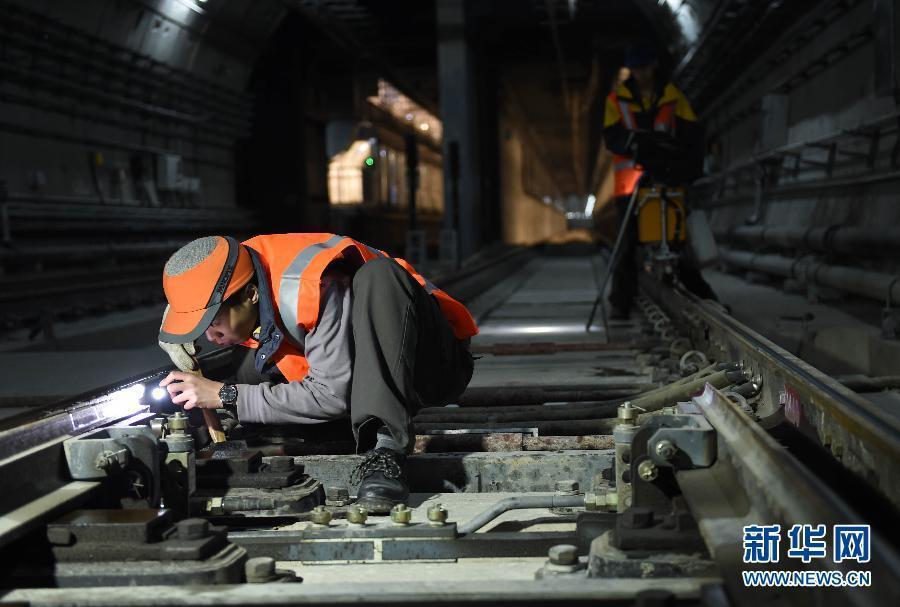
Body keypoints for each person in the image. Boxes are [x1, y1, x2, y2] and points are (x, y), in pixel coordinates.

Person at [156, 233, 477, 512]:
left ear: (250, 294)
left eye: (213, 323)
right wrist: (181, 338)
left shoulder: (310, 285)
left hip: (430, 365)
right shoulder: (236, 272)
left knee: (378, 274)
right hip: (358, 363)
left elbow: (331, 395)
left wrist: (225, 395)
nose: (210, 338)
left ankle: (385, 450)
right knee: (246, 367)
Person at [602, 41, 716, 319]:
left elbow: (692, 133)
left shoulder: (672, 96)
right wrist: (636, 144)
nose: (640, 73)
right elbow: (612, 137)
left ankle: (704, 298)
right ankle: (620, 303)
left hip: (666, 179)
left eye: (644, 67)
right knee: (628, 244)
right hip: (631, 185)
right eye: (635, 69)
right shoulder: (617, 100)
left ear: (653, 65)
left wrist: (684, 166)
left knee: (677, 239)